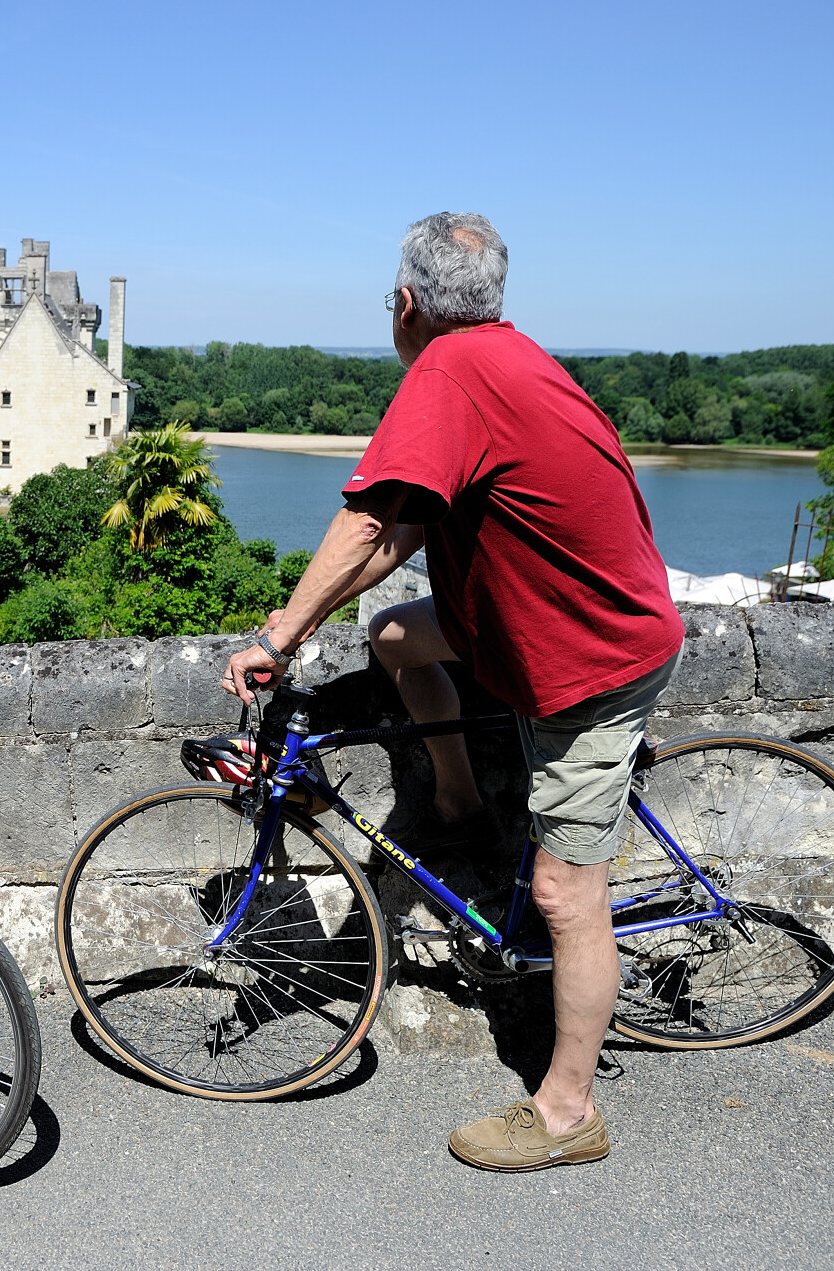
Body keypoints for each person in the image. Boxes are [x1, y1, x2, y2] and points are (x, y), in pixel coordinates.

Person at [223, 213, 683, 1171]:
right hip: (532, 629)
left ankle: (567, 1114)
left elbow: (363, 526)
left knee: (564, 889)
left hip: (589, 659)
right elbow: (401, 532)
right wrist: (314, 618)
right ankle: (463, 799)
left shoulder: (449, 369)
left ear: (405, 304)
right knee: (395, 632)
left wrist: (277, 635)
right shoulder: (505, 357)